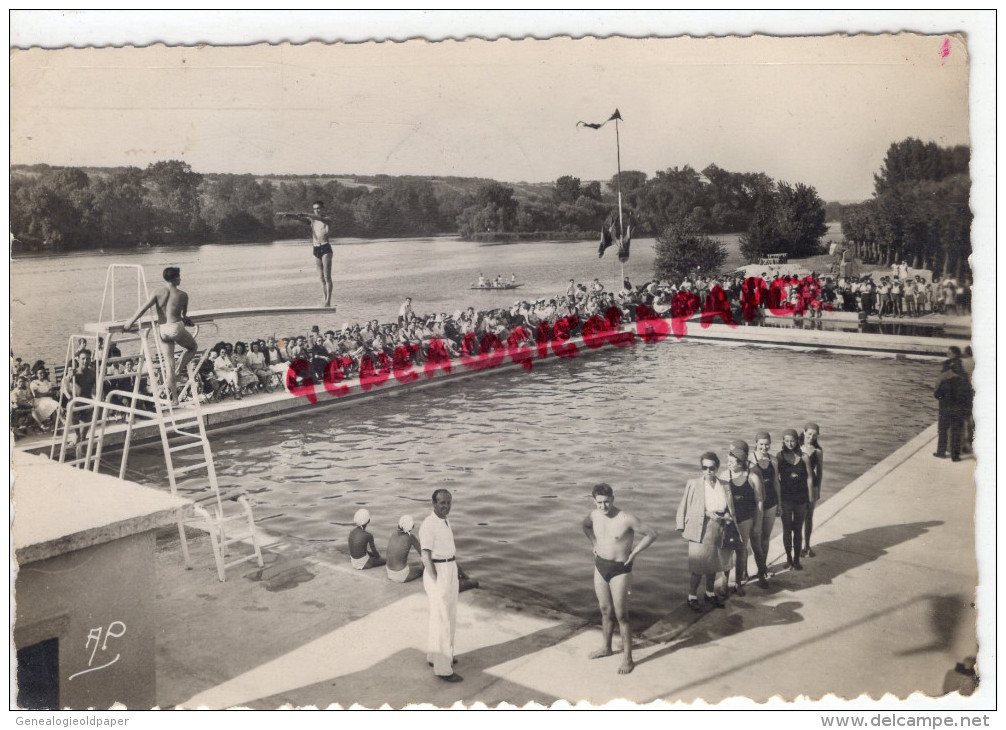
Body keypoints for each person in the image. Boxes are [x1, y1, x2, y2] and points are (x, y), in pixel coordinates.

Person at [581, 482, 656, 675]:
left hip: (620, 570)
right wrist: (594, 544)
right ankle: (606, 648)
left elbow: (651, 534)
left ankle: (628, 658)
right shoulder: (594, 515)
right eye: (599, 502)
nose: (603, 506)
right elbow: (585, 526)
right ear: (594, 501)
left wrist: (634, 554)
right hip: (600, 566)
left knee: (622, 615)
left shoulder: (625, 518)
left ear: (613, 499)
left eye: (606, 502)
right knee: (605, 610)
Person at [124, 266, 197, 404]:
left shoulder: (157, 292)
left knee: (169, 364)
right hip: (176, 327)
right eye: (179, 276)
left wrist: (130, 322)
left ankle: (174, 399)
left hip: (162, 329)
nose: (180, 278)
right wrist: (188, 321)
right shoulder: (183, 294)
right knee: (193, 348)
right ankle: (179, 371)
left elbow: (143, 308)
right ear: (175, 278)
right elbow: (184, 316)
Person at [677, 452, 736, 611]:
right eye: (704, 468)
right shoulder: (694, 483)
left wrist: (729, 516)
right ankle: (692, 596)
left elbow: (729, 506)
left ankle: (710, 593)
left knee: (714, 563)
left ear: (717, 468)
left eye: (711, 468)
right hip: (701, 527)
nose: (708, 471)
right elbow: (685, 506)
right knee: (698, 566)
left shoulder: (724, 484)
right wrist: (683, 525)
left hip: (720, 526)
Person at [419, 489, 467, 682]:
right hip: (438, 572)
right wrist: (436, 578)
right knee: (443, 620)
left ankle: (436, 656)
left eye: (448, 503)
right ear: (433, 504)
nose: (446, 506)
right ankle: (443, 669)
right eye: (442, 503)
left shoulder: (445, 520)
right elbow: (425, 556)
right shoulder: (428, 524)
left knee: (448, 615)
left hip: (450, 567)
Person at [720, 441, 763, 595]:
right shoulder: (725, 475)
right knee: (726, 551)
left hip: (746, 518)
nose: (728, 464)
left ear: (741, 463)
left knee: (741, 550)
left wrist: (757, 523)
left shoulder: (752, 477)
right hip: (729, 518)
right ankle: (725, 583)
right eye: (728, 462)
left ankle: (738, 583)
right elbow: (719, 499)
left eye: (732, 462)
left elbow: (759, 502)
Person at [280, 200, 335, 308]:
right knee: (321, 277)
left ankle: (328, 301)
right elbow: (300, 219)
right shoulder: (312, 221)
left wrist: (307, 214)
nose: (317, 210)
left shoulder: (327, 219)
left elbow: (319, 218)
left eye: (319, 208)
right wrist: (288, 215)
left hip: (325, 248)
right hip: (316, 248)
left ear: (323, 208)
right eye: (315, 209)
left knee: (327, 276)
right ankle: (324, 298)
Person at [778, 429, 813, 570]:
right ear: (783, 442)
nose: (790, 443)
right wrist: (779, 501)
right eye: (786, 441)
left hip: (801, 499)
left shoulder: (804, 457)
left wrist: (810, 500)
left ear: (797, 441)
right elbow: (776, 479)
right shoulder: (779, 457)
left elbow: (810, 478)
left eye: (792, 440)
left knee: (797, 530)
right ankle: (788, 559)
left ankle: (797, 560)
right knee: (787, 530)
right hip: (786, 499)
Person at [748, 431, 780, 587]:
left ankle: (762, 567)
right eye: (761, 444)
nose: (764, 447)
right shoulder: (750, 460)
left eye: (767, 444)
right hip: (756, 505)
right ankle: (758, 571)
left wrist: (779, 504)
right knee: (755, 538)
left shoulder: (773, 460)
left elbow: (776, 483)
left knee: (765, 537)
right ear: (756, 444)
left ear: (770, 444)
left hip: (771, 503)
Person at [934, 359, 971, 462]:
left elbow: (937, 395)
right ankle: (955, 456)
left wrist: (943, 400)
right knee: (956, 433)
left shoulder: (945, 382)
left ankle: (941, 452)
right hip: (958, 411)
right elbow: (968, 397)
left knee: (943, 432)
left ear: (952, 371)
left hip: (945, 410)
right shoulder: (965, 384)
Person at [800, 423, 824, 558]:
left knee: (809, 517)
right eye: (809, 433)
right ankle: (797, 545)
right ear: (804, 432)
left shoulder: (818, 451)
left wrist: (818, 490)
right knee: (797, 516)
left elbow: (819, 472)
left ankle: (807, 546)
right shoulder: (796, 448)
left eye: (814, 435)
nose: (811, 437)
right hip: (797, 486)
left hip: (812, 486)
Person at [386, 515, 423, 583]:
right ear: (412, 526)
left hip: (389, 572)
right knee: (421, 568)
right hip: (401, 576)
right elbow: (423, 554)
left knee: (413, 564)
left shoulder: (394, 533)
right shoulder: (411, 537)